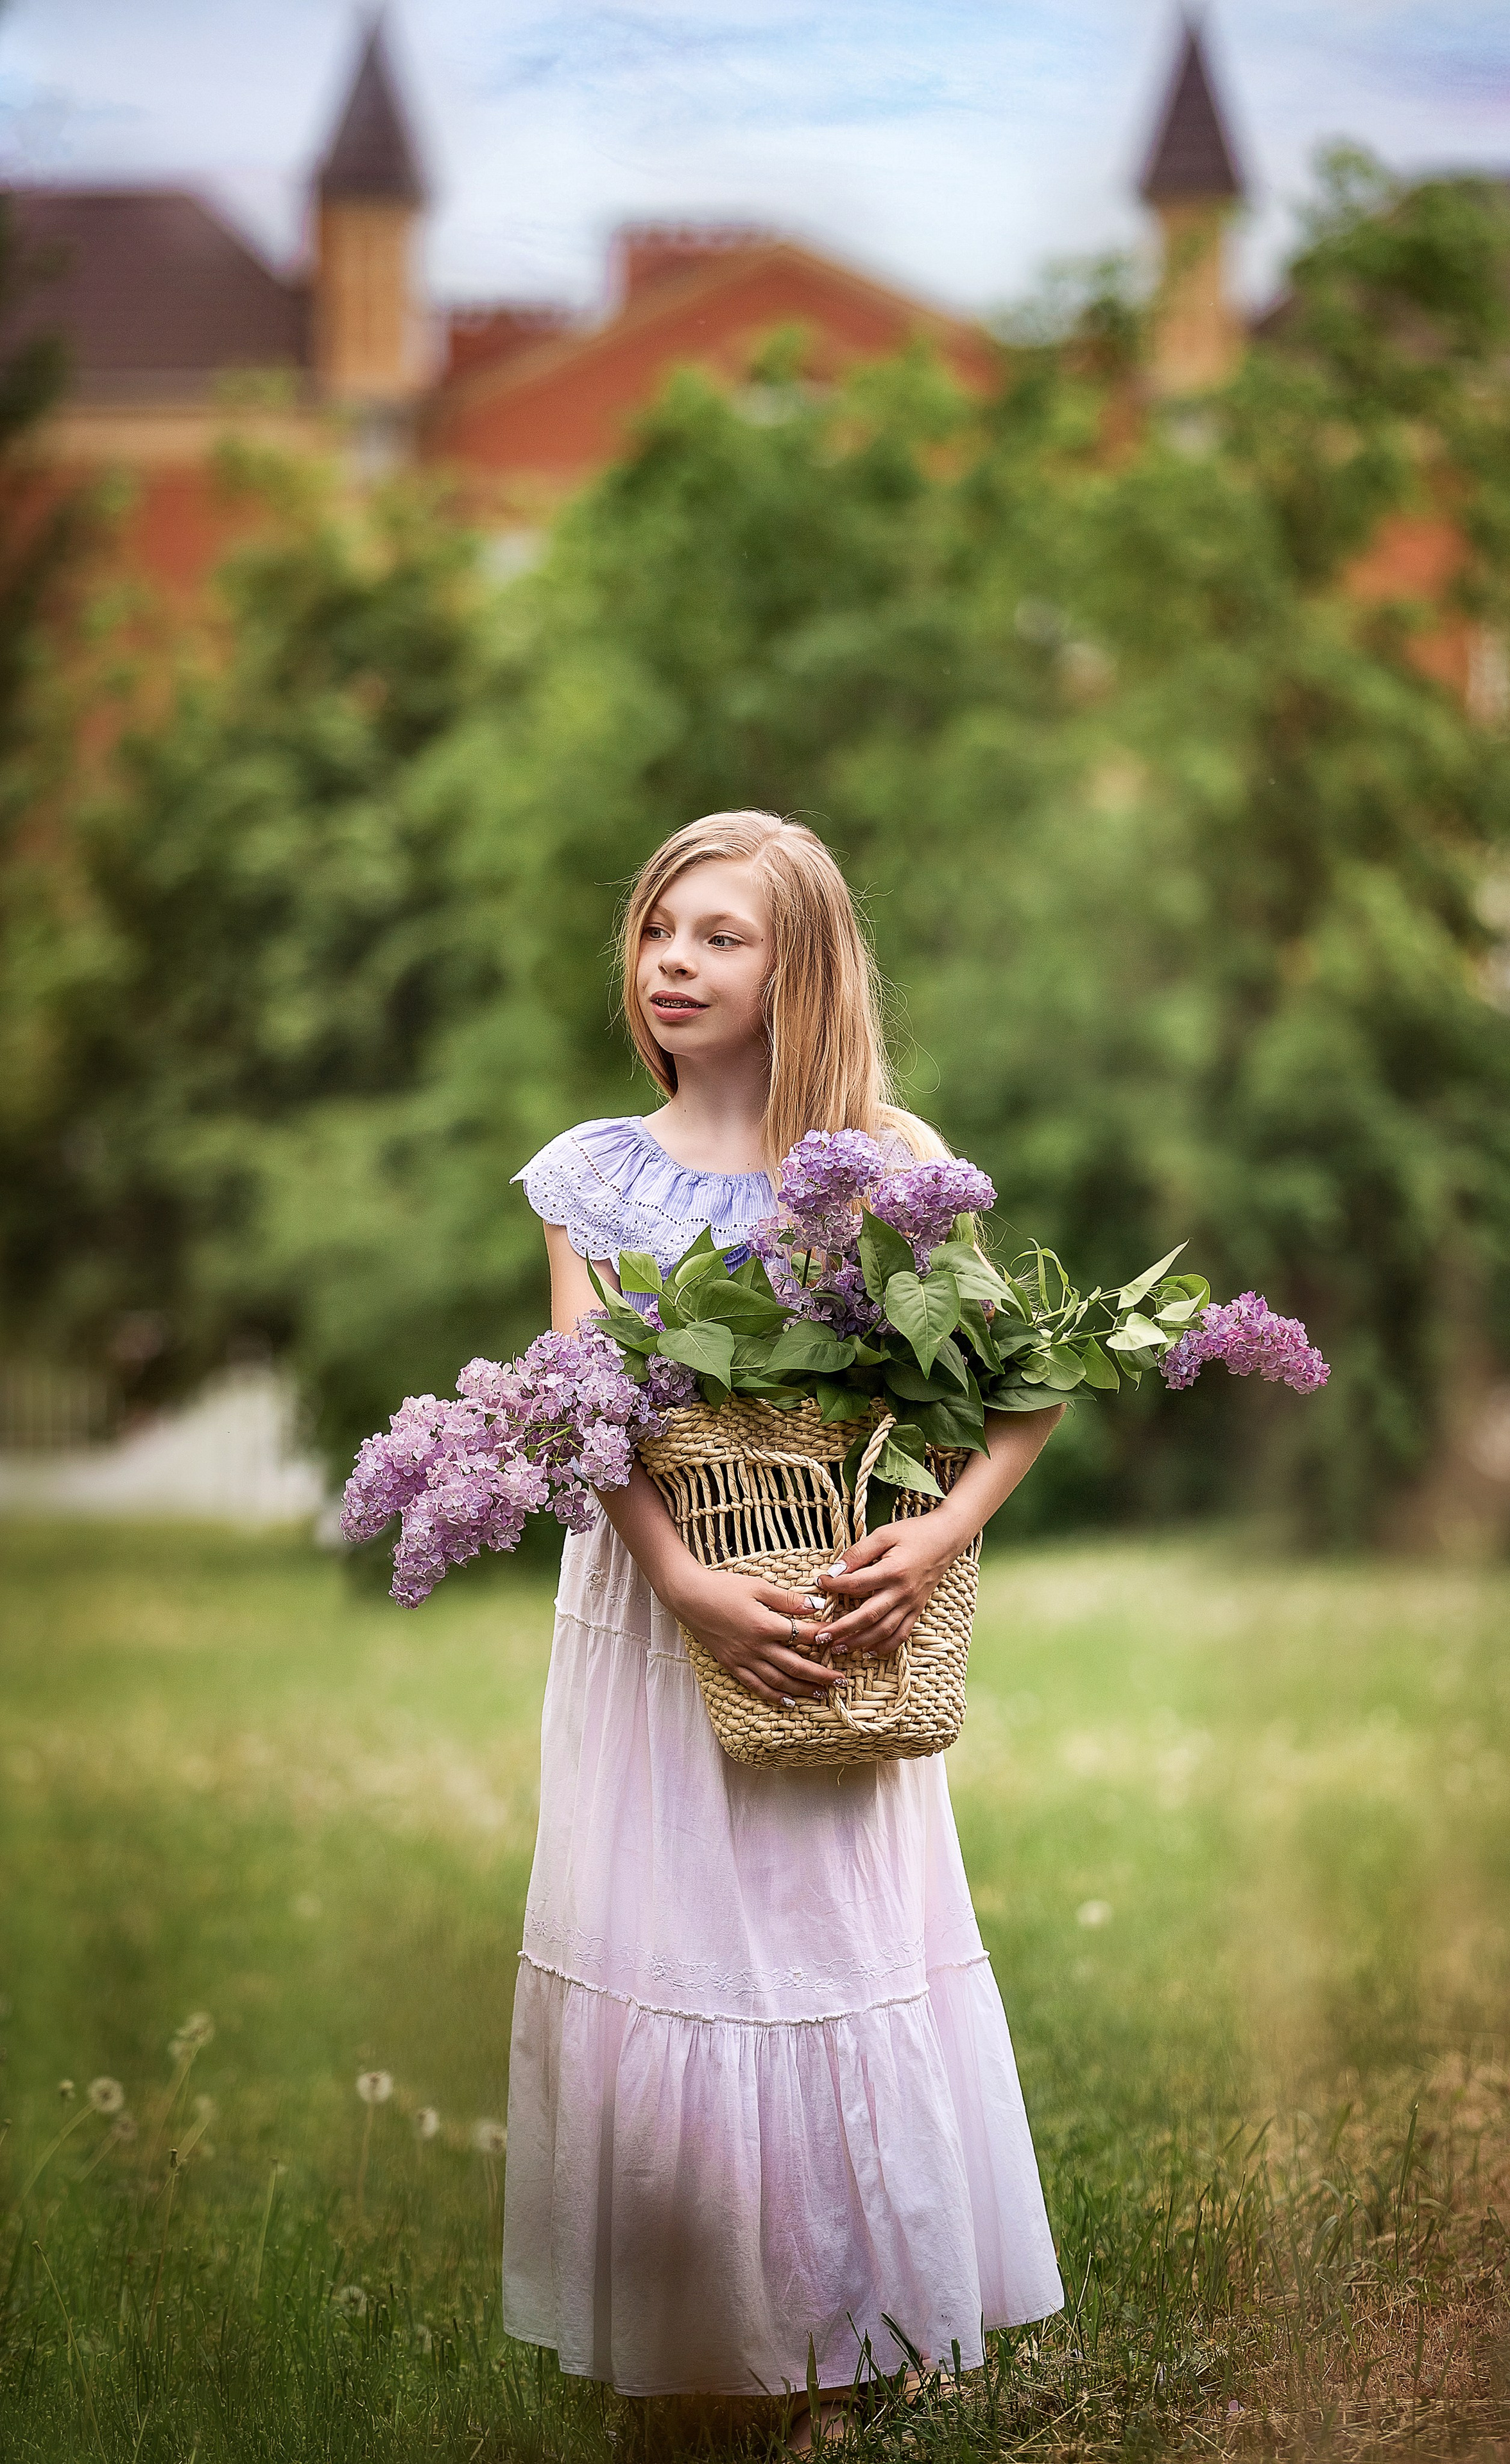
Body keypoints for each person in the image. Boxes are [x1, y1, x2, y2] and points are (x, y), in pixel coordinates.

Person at [502, 809, 1065, 2447]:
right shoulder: (593, 1173)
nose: (673, 962)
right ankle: (682, 2356)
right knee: (669, 1952)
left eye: (720, 937)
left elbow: (1024, 1378)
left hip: (829, 1613)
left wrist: (944, 1528)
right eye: (659, 931)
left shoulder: (882, 1156)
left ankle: (838, 2346)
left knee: (824, 1952)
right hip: (661, 1622)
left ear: (796, 965)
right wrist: (681, 1581)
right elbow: (580, 1411)